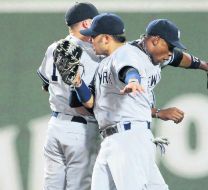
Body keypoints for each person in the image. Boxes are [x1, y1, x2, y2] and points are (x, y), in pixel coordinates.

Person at [72, 13, 170, 190]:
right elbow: (89, 103)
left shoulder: (125, 53)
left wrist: (133, 81)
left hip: (128, 138)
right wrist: (77, 83)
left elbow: (128, 70)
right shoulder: (105, 62)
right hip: (115, 140)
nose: (90, 39)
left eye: (94, 36)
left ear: (106, 38)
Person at [37, 2, 101, 190]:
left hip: (55, 125)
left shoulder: (54, 48)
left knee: (52, 186)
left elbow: (45, 85)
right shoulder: (91, 54)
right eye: (94, 23)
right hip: (81, 128)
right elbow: (83, 98)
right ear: (85, 24)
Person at [130, 19, 208, 122]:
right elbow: (123, 108)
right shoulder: (130, 60)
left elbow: (178, 58)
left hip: (136, 127)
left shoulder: (155, 53)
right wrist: (158, 113)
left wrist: (207, 66)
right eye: (170, 47)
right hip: (121, 130)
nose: (171, 53)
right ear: (156, 40)